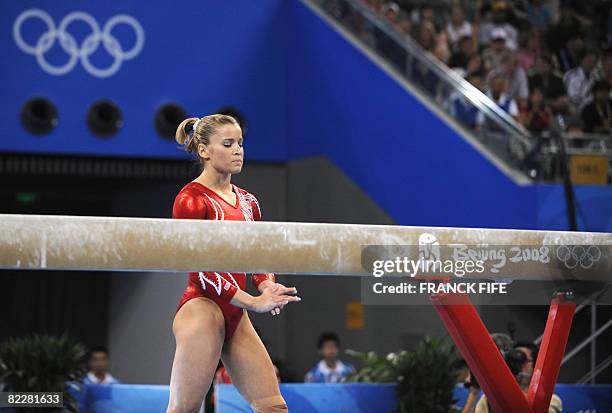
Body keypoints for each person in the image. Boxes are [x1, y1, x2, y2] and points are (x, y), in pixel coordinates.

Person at [166, 114, 301, 413]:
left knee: (273, 406)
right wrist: (253, 302)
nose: (238, 150)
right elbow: (202, 272)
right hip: (203, 308)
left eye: (240, 143)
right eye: (227, 144)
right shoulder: (191, 199)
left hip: (235, 314)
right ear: (204, 150)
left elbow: (257, 257)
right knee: (184, 409)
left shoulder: (249, 202)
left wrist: (266, 284)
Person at [474, 349, 562, 413]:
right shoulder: (487, 401)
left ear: (535, 364)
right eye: (514, 361)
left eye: (523, 361)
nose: (518, 366)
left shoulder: (551, 400)